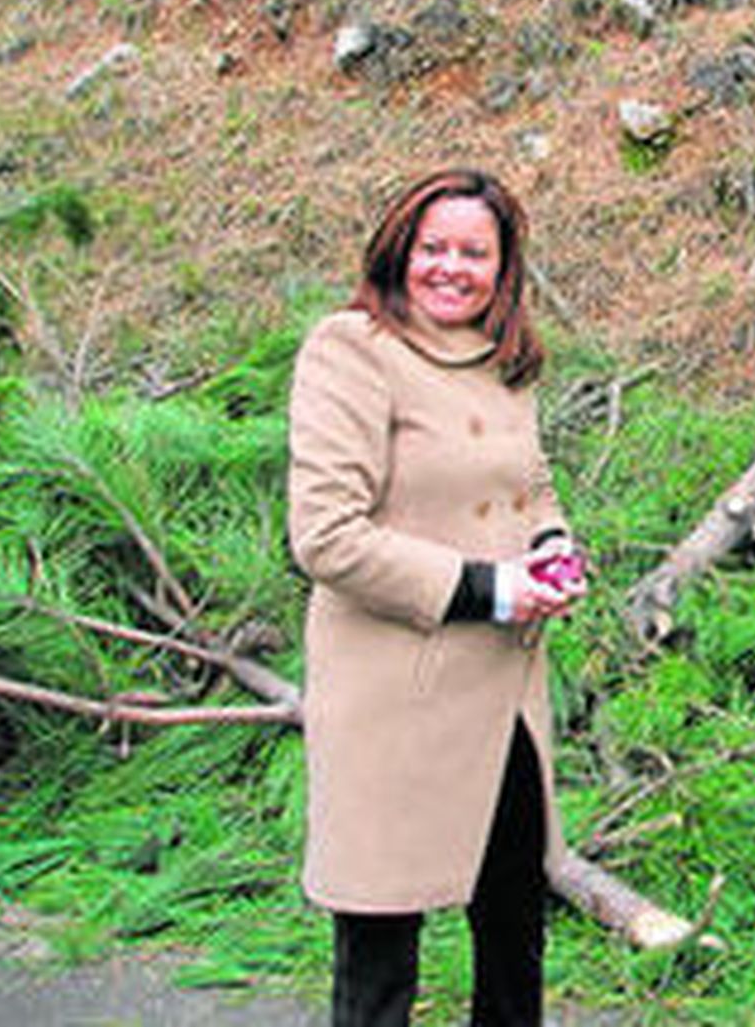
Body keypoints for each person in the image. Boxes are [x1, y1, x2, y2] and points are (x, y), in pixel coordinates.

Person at [287, 169, 587, 1027]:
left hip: (506, 708)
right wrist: (493, 588)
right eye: (434, 248)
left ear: (504, 267)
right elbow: (325, 535)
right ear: (399, 251)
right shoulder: (351, 349)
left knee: (512, 942)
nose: (451, 268)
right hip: (394, 703)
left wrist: (552, 547)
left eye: (474, 252)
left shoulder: (507, 362)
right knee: (382, 968)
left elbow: (532, 488)